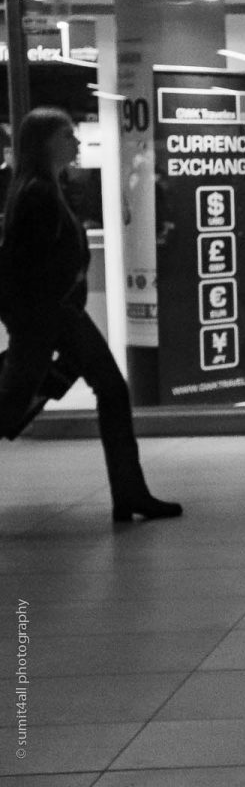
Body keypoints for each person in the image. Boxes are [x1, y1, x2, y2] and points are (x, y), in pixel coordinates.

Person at [0, 106, 181, 521]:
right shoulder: (38, 194)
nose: (77, 142)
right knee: (19, 403)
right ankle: (130, 493)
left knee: (103, 392)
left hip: (56, 317)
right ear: (46, 142)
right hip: (55, 317)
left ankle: (131, 492)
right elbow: (28, 268)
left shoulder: (42, 188)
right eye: (68, 135)